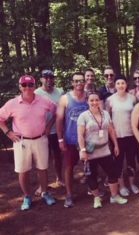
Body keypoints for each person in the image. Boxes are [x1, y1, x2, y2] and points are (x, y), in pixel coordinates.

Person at [0, 75, 57, 210]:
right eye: (24, 85)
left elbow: (56, 112)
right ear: (20, 87)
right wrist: (8, 132)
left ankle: (45, 193)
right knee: (23, 170)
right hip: (21, 141)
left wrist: (49, 126)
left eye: (30, 85)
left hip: (41, 138)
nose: (27, 88)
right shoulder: (12, 103)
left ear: (34, 86)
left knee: (42, 168)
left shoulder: (43, 101)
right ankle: (27, 196)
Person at [77, 92, 128, 208]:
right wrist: (83, 150)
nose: (94, 102)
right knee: (92, 175)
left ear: (100, 101)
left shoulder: (105, 114)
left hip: (105, 149)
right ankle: (97, 198)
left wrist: (115, 145)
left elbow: (111, 130)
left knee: (112, 172)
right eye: (91, 100)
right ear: (87, 102)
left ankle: (114, 196)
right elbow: (80, 135)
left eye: (97, 100)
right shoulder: (83, 116)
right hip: (90, 151)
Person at [56, 72, 89, 208]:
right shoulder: (65, 98)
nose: (79, 83)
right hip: (70, 139)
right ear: (72, 83)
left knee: (90, 165)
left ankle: (93, 189)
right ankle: (69, 195)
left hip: (88, 139)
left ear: (84, 82)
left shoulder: (89, 97)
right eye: (76, 81)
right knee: (69, 167)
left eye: (81, 81)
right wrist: (60, 139)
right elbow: (59, 120)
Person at [106, 76, 139, 197]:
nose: (121, 85)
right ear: (115, 85)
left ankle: (132, 184)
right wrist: (111, 137)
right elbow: (107, 119)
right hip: (117, 137)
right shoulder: (110, 100)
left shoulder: (132, 98)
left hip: (131, 135)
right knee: (118, 162)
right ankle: (122, 186)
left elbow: (137, 115)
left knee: (131, 161)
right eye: (118, 83)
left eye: (123, 83)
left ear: (126, 84)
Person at [35, 69, 64, 188]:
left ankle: (59, 178)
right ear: (41, 79)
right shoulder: (36, 93)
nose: (48, 80)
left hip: (56, 131)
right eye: (45, 77)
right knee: (41, 159)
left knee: (57, 156)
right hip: (41, 132)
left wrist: (52, 125)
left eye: (51, 77)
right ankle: (42, 185)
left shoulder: (60, 92)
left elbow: (60, 111)